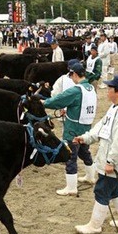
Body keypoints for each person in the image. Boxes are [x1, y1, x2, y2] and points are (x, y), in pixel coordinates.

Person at [73, 75, 118, 234]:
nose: (107, 91)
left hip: (116, 162)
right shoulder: (114, 108)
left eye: (110, 88)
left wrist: (111, 162)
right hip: (110, 159)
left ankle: (94, 226)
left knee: (102, 190)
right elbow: (101, 127)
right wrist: (85, 138)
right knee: (114, 190)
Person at [43, 63, 98, 196]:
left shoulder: (75, 90)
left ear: (74, 74)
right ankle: (91, 177)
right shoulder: (90, 88)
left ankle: (71, 187)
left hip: (73, 128)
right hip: (86, 126)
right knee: (84, 152)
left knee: (70, 156)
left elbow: (58, 100)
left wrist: (43, 103)